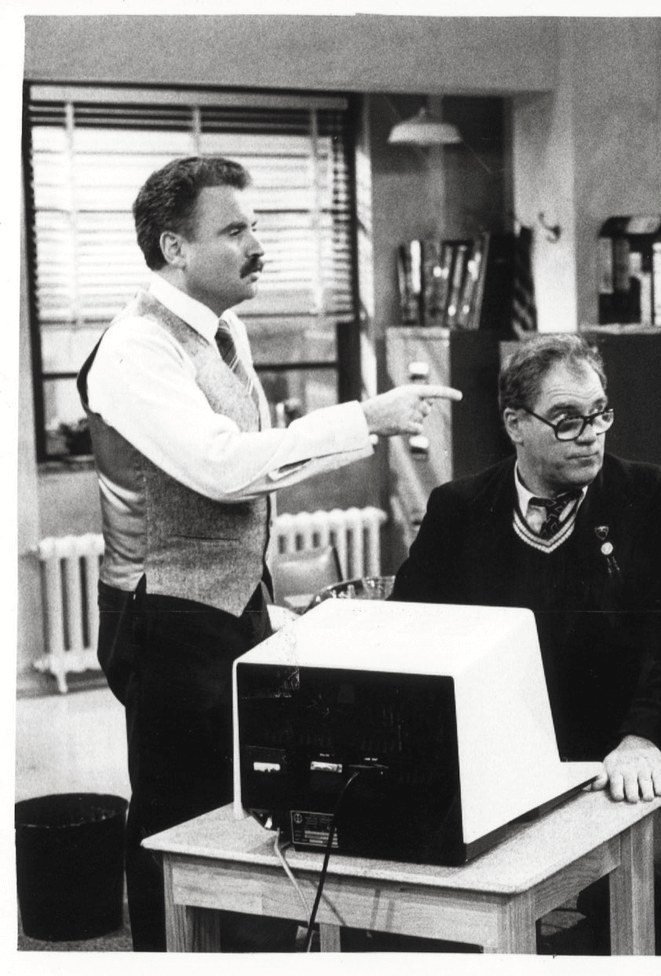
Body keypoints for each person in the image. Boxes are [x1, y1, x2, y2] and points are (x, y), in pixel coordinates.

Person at [77, 155, 461, 951]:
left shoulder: (224, 331)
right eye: (236, 229)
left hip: (227, 603)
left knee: (243, 805)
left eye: (258, 226)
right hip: (165, 613)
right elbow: (220, 467)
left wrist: (366, 429)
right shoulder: (135, 349)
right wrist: (366, 418)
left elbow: (258, 458)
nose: (258, 244)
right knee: (176, 823)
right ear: (174, 248)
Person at [390, 333, 661, 951]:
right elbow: (409, 636)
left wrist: (643, 737)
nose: (590, 433)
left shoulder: (649, 496)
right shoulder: (459, 510)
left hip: (612, 768)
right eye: (567, 420)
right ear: (516, 423)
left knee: (651, 873)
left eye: (600, 414)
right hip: (492, 777)